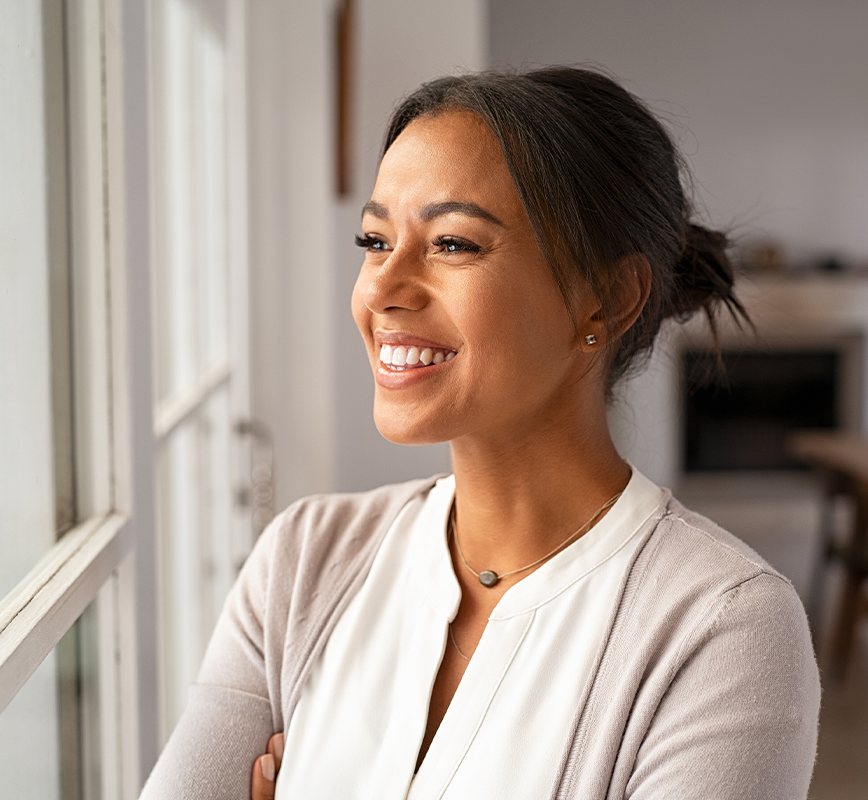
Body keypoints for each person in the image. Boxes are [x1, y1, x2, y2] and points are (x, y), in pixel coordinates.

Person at [139, 67, 820, 800]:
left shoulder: (725, 630)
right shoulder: (305, 562)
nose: (383, 289)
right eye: (374, 240)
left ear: (607, 299)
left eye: (454, 244)